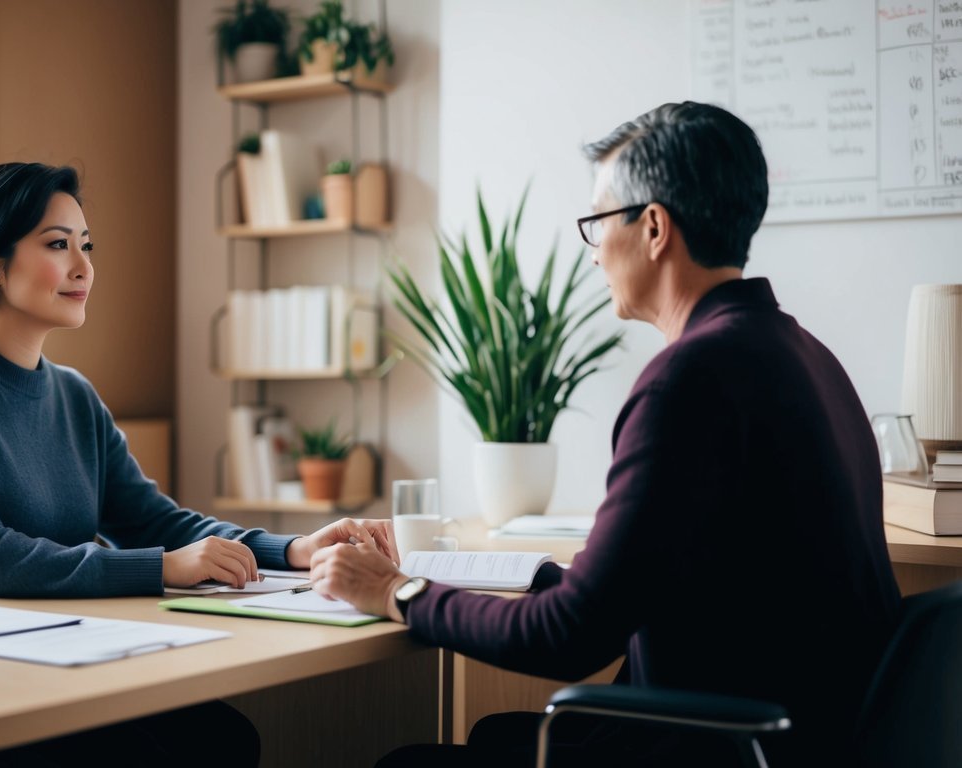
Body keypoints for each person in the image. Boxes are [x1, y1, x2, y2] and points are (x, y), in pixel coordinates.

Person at [310, 102, 901, 767]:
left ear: (652, 227)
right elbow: (666, 579)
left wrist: (395, 591)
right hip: (807, 737)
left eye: (596, 223)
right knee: (488, 738)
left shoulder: (687, 378)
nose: (592, 255)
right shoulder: (805, 354)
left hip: (714, 749)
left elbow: (567, 638)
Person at [0, 162, 398, 766]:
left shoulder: (73, 394)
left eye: (86, 245)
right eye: (57, 245)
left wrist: (290, 550)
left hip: (27, 649)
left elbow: (152, 521)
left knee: (224, 739)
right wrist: (161, 568)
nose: (83, 267)